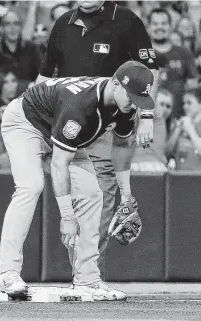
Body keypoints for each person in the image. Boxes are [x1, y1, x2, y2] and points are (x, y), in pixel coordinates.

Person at [0, 61, 155, 300]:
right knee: (31, 186)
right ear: (115, 84)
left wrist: (127, 196)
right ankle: (9, 272)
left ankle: (87, 279)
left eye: (139, 99)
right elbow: (60, 163)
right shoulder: (81, 106)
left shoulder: (125, 107)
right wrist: (68, 217)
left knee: (93, 193)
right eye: (132, 96)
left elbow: (122, 147)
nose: (134, 103)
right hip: (26, 122)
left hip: (58, 128)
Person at [34, 0, 159, 280]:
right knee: (78, 202)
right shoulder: (63, 22)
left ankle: (90, 275)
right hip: (67, 125)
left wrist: (148, 114)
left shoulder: (126, 20)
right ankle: (84, 276)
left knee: (101, 198)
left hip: (108, 125)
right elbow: (45, 75)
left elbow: (151, 71)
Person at [148, 8, 198, 119]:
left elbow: (193, 90)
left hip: (178, 117)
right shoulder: (138, 54)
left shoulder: (184, 53)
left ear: (170, 26)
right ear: (148, 27)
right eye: (155, 24)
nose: (159, 27)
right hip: (147, 119)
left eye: (164, 23)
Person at [166, 87, 201, 170]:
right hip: (179, 177)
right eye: (184, 103)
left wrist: (190, 130)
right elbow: (167, 154)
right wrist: (177, 130)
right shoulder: (181, 124)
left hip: (200, 177)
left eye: (189, 103)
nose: (185, 107)